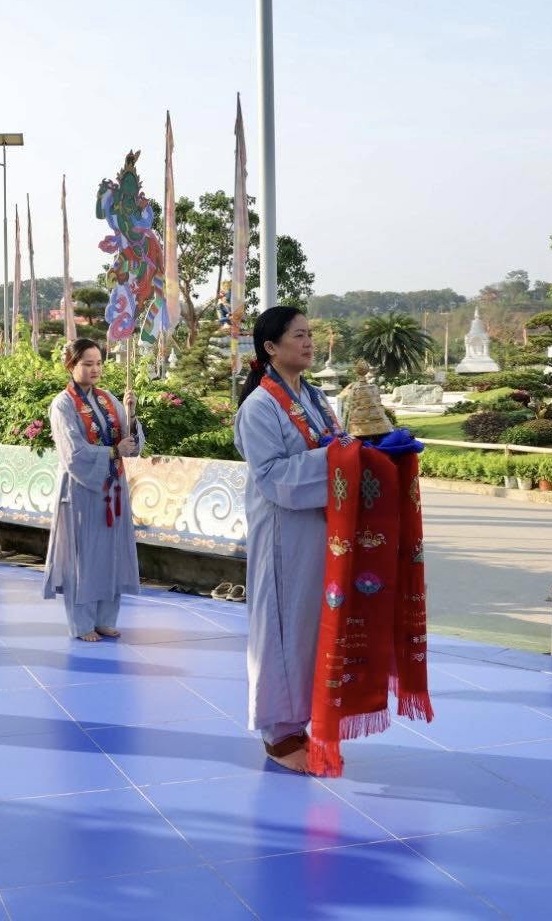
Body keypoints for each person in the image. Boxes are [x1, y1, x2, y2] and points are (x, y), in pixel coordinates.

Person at [232, 306, 341, 774]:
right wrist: (339, 459)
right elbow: (274, 476)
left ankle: (304, 722)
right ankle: (279, 734)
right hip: (283, 531)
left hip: (319, 528)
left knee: (310, 628)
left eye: (310, 333)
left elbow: (335, 446)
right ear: (271, 348)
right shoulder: (259, 406)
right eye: (298, 335)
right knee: (281, 629)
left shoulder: (315, 398)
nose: (308, 342)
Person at [41, 339, 143, 641]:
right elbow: (72, 453)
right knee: (82, 557)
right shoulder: (63, 404)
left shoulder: (109, 399)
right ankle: (82, 623)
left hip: (112, 488)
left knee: (110, 553)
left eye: (98, 363)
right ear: (71, 365)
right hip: (81, 490)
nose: (95, 369)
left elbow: (130, 443)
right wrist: (112, 452)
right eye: (87, 363)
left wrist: (131, 415)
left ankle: (105, 619)